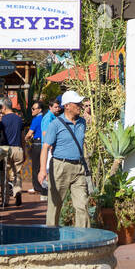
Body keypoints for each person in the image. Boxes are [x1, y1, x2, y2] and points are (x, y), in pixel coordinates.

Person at [39, 91, 91, 229]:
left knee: (82, 205)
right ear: (67, 106)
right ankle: (50, 237)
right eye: (77, 103)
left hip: (78, 167)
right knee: (55, 205)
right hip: (59, 166)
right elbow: (45, 148)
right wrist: (42, 170)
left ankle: (83, 239)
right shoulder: (55, 124)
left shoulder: (82, 122)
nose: (80, 106)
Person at [0, 97, 25, 206]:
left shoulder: (2, 120)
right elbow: (22, 136)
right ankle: (17, 191)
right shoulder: (19, 119)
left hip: (6, 149)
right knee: (17, 173)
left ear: (4, 107)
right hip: (18, 148)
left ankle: (5, 200)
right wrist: (24, 150)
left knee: (5, 175)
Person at [25, 100, 46, 195]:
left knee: (36, 167)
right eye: (31, 108)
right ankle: (43, 186)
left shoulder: (36, 119)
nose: (32, 110)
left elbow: (29, 134)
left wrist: (25, 138)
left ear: (39, 110)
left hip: (37, 145)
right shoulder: (45, 118)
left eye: (34, 109)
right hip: (44, 144)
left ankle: (37, 187)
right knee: (43, 166)